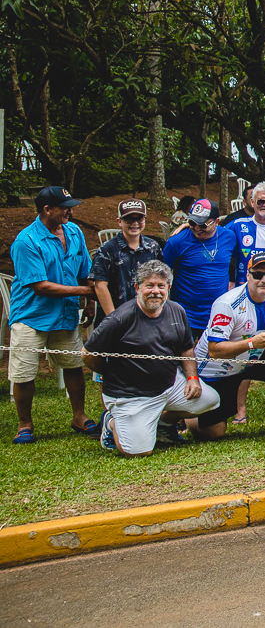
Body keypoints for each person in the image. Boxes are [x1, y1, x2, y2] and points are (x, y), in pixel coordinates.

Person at [82, 261, 219, 455]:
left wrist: (192, 378)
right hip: (131, 394)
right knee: (137, 451)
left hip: (169, 385)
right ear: (137, 288)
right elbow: (88, 353)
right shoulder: (120, 318)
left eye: (161, 286)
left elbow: (186, 349)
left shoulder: (176, 310)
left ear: (168, 288)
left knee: (210, 399)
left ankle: (163, 425)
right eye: (149, 285)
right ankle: (111, 423)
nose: (156, 291)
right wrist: (108, 372)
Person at [10, 186, 98, 444]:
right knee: (24, 372)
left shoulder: (74, 232)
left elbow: (84, 270)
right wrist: (85, 291)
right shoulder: (26, 241)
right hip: (30, 315)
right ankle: (25, 424)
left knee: (73, 365)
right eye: (64, 207)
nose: (70, 212)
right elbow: (41, 286)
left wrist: (89, 302)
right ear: (47, 209)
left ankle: (79, 416)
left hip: (65, 313)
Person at [190, 252, 265, 438]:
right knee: (214, 432)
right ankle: (188, 415)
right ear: (247, 275)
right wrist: (251, 343)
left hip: (252, 358)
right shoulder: (227, 304)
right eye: (258, 274)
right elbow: (214, 350)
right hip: (218, 369)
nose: (264, 280)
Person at [163, 198, 237, 342]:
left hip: (218, 313)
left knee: (214, 355)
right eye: (192, 223)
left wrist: (232, 280)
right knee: (181, 353)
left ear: (216, 221)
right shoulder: (177, 241)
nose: (197, 228)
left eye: (202, 225)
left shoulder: (229, 237)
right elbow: (162, 273)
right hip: (185, 313)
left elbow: (237, 259)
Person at [90, 198, 164, 320]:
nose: (135, 223)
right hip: (115, 316)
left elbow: (161, 281)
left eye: (139, 219)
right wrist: (114, 319)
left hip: (146, 317)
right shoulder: (107, 249)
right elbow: (100, 286)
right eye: (129, 219)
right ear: (119, 221)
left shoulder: (153, 247)